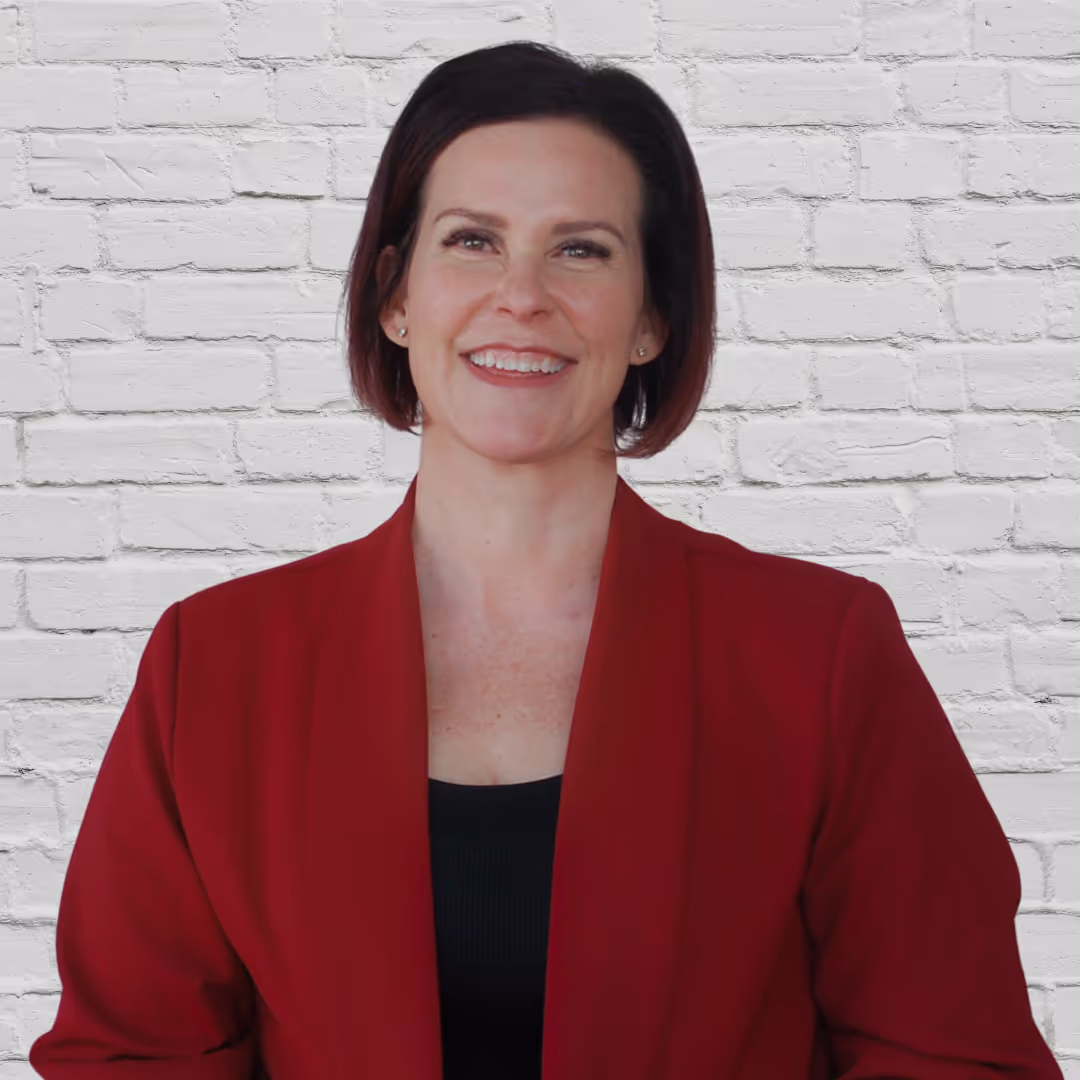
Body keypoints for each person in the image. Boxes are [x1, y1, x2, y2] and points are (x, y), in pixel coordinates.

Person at [29, 39, 1062, 1080]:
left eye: (581, 250)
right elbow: (129, 1057)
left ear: (652, 317)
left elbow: (953, 1056)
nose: (520, 295)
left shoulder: (819, 656)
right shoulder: (214, 665)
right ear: (395, 296)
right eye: (472, 240)